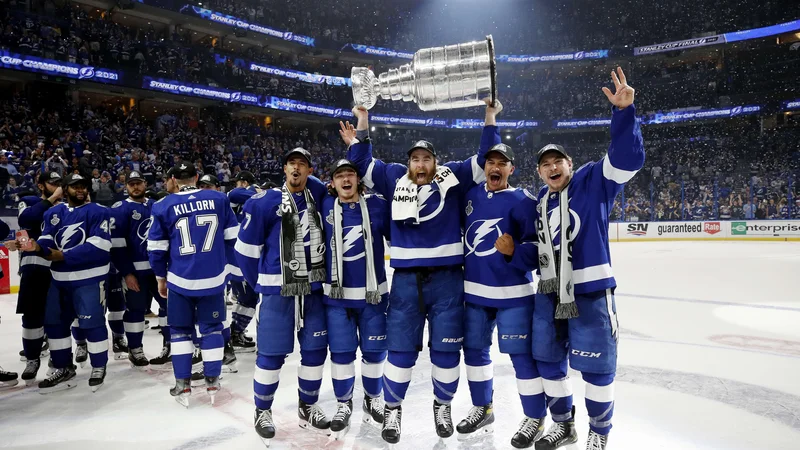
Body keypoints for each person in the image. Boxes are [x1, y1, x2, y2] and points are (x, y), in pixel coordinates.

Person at [344, 99, 502, 444]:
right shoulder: (392, 178)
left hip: (447, 280)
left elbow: (488, 155)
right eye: (415, 158)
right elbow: (361, 163)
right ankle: (393, 410)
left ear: (435, 162)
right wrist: (363, 121)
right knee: (399, 350)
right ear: (408, 163)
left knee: (446, 351)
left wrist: (490, 117)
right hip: (405, 281)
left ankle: (442, 405)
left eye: (426, 158)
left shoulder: (454, 177)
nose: (420, 164)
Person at [532, 67, 644, 450]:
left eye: (557, 161)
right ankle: (564, 425)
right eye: (545, 164)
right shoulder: (540, 204)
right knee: (548, 363)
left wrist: (624, 113)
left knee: (597, 370)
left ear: (569, 163)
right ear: (540, 172)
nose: (552, 168)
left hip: (592, 294)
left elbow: (627, 161)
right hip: (550, 297)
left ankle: (599, 432)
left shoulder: (594, 180)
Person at [235, 147, 330, 445]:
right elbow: (245, 252)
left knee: (314, 352)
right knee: (271, 354)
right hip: (278, 291)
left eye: (303, 164)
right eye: (292, 163)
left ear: (310, 170)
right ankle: (262, 410)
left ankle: (308, 405)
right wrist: (261, 283)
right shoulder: (264, 203)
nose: (297, 169)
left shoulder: (320, 197)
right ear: (284, 168)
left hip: (313, 289)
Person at [455, 143, 546, 448]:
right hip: (475, 295)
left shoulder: (524, 201)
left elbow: (538, 251)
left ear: (511, 169)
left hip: (514, 296)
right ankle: (483, 408)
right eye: (490, 162)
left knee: (521, 357)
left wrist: (515, 252)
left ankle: (534, 417)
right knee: (476, 353)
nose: (495, 167)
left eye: (501, 163)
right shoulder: (470, 196)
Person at [147, 162, 239, 407]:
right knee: (212, 329)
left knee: (179, 331)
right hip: (213, 278)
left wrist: (160, 276)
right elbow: (233, 239)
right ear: (197, 177)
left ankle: (182, 384)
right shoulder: (219, 199)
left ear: (175, 180)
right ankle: (212, 379)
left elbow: (156, 249)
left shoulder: (162, 205)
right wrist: (228, 270)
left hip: (179, 279)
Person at [319, 158, 391, 438]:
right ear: (333, 182)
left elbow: (399, 238)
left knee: (374, 354)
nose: (345, 179)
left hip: (373, 296)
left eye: (350, 174)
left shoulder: (378, 204)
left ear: (359, 180)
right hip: (337, 298)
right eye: (340, 176)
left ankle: (373, 399)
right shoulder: (324, 204)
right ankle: (343, 404)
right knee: (341, 354)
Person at [30, 173, 113, 393]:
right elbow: (47, 237)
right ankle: (63, 367)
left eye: (83, 186)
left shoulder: (99, 212)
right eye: (75, 186)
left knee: (92, 323)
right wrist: (37, 247)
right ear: (65, 189)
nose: (80, 189)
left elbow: (100, 245)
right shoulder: (53, 213)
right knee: (55, 325)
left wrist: (62, 255)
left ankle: (98, 366)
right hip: (59, 281)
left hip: (90, 280)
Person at [4, 171, 63, 385]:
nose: (57, 185)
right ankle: (32, 359)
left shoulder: (67, 206)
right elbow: (26, 219)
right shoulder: (29, 201)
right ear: (41, 185)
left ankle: (60, 361)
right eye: (51, 183)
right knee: (31, 318)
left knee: (58, 318)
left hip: (60, 266)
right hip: (35, 266)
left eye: (59, 183)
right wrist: (52, 198)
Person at [109, 170, 167, 370]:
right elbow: (117, 245)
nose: (135, 187)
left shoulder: (156, 205)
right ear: (126, 186)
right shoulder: (120, 208)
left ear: (145, 185)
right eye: (131, 183)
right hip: (136, 273)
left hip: (159, 271)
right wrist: (127, 273)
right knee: (135, 311)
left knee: (168, 308)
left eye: (138, 183)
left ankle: (168, 346)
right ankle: (135, 349)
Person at [225, 170, 260, 352]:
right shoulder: (238, 195)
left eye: (237, 181)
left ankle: (236, 331)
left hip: (242, 258)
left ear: (244, 181)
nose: (235, 185)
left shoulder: (248, 197)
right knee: (249, 298)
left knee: (247, 298)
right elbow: (233, 193)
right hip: (239, 258)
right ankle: (235, 332)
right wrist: (261, 193)